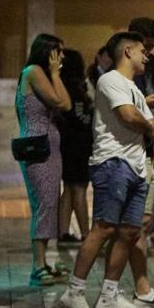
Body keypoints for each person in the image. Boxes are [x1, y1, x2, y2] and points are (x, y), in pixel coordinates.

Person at [58, 31, 154, 308]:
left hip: (136, 165)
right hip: (114, 164)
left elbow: (139, 117)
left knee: (130, 231)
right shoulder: (111, 80)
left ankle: (109, 295)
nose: (148, 55)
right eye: (143, 50)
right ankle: (75, 292)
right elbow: (134, 120)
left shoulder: (129, 86)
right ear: (128, 51)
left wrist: (146, 105)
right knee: (103, 228)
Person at [16, 34, 72, 286]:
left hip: (49, 148)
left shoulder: (44, 74)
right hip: (38, 149)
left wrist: (55, 75)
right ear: (47, 52)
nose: (61, 57)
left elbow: (68, 105)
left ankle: (43, 262)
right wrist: (55, 74)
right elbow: (58, 101)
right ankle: (37, 265)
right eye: (58, 52)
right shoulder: (33, 71)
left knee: (50, 202)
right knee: (44, 204)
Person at [56, 48, 92, 244]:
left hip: (66, 143)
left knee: (69, 188)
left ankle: (63, 232)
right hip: (78, 144)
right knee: (79, 188)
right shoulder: (75, 88)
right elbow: (81, 118)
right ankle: (86, 234)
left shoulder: (61, 85)